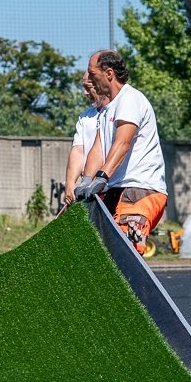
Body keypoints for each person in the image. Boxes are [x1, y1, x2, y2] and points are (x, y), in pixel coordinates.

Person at [74, 49, 168, 254]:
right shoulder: (107, 109)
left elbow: (122, 143)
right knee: (91, 242)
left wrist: (102, 176)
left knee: (124, 245)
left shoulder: (129, 99)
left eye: (92, 73)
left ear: (109, 74)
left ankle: (135, 233)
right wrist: (86, 180)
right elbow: (98, 148)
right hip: (116, 189)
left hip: (140, 189)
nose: (89, 80)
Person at [62, 72, 110, 207]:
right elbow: (78, 151)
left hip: (113, 187)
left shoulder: (119, 111)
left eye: (88, 87)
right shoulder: (85, 117)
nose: (85, 93)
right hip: (88, 189)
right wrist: (70, 184)